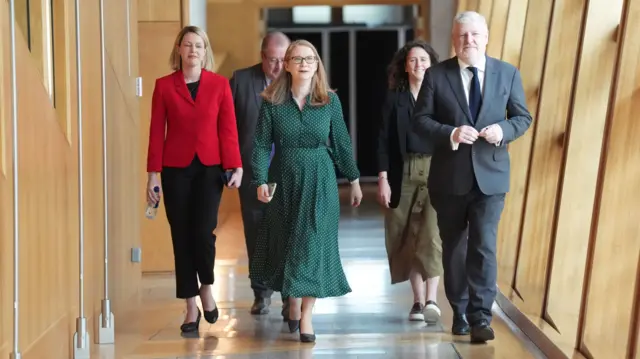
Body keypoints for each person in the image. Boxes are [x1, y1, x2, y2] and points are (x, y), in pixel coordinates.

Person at [412, 11, 532, 342]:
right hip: (449, 179)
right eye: (463, 36)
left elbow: (523, 117)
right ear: (454, 39)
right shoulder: (436, 76)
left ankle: (481, 316)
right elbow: (420, 121)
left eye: (476, 35)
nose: (470, 41)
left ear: (486, 37)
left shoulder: (507, 74)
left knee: (484, 245)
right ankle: (460, 311)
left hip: (491, 178)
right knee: (454, 247)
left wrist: (502, 130)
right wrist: (450, 133)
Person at [249, 40, 362, 343]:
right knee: (287, 242)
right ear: (286, 65)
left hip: (320, 178)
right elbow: (260, 144)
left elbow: (340, 142)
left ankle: (307, 314)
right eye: (297, 58)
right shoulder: (272, 102)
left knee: (312, 242)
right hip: (283, 178)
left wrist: (353, 179)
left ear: (317, 64)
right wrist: (259, 180)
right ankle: (293, 300)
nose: (304, 63)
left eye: (309, 58)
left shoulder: (329, 102)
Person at [145, 25, 243, 333]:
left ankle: (207, 288)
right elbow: (155, 133)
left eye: (198, 46)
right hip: (175, 170)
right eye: (187, 45)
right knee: (181, 236)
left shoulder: (218, 85)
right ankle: (190, 306)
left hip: (209, 169)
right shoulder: (163, 86)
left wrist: (235, 165)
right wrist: (152, 175)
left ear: (205, 51)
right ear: (178, 50)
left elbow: (228, 128)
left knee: (203, 232)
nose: (193, 51)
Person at [376, 40, 443, 324]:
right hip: (401, 171)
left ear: (432, 64)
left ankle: (432, 300)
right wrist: (382, 179)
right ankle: (417, 300)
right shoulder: (395, 98)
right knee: (404, 235)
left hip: (436, 170)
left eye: (424, 60)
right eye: (413, 60)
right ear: (405, 66)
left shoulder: (442, 97)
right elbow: (382, 140)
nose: (418, 65)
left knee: (431, 233)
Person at [229, 32, 291, 318]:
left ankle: (290, 294)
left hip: (290, 171)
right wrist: (231, 164)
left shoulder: (298, 81)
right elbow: (227, 126)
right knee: (256, 232)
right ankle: (261, 292)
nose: (278, 66)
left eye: (283, 60)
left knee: (289, 232)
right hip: (254, 171)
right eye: (272, 60)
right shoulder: (241, 81)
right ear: (262, 56)